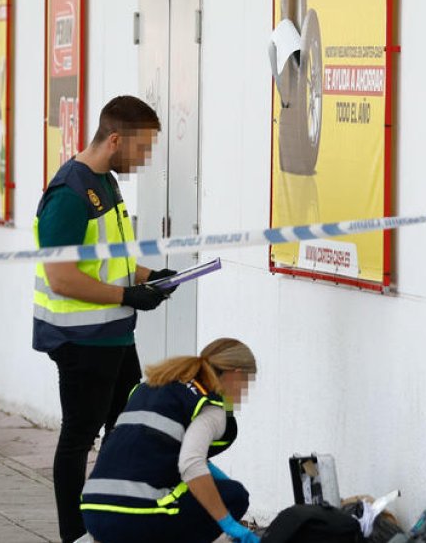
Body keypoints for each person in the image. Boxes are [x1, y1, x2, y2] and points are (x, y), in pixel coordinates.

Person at [32, 95, 178, 543]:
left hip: (114, 336)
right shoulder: (69, 195)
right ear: (115, 139)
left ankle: (112, 523)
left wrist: (152, 278)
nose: (147, 158)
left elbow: (112, 261)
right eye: (143, 147)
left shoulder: (106, 184)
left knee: (124, 431)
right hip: (81, 342)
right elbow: (62, 278)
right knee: (79, 438)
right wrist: (126, 294)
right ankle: (74, 535)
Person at [79, 338, 260, 543]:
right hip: (134, 517)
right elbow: (191, 465)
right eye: (247, 382)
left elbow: (160, 452)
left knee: (210, 488)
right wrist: (229, 524)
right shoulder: (210, 407)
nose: (244, 392)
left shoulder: (152, 386)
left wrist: (216, 478)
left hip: (93, 512)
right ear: (235, 375)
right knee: (233, 496)